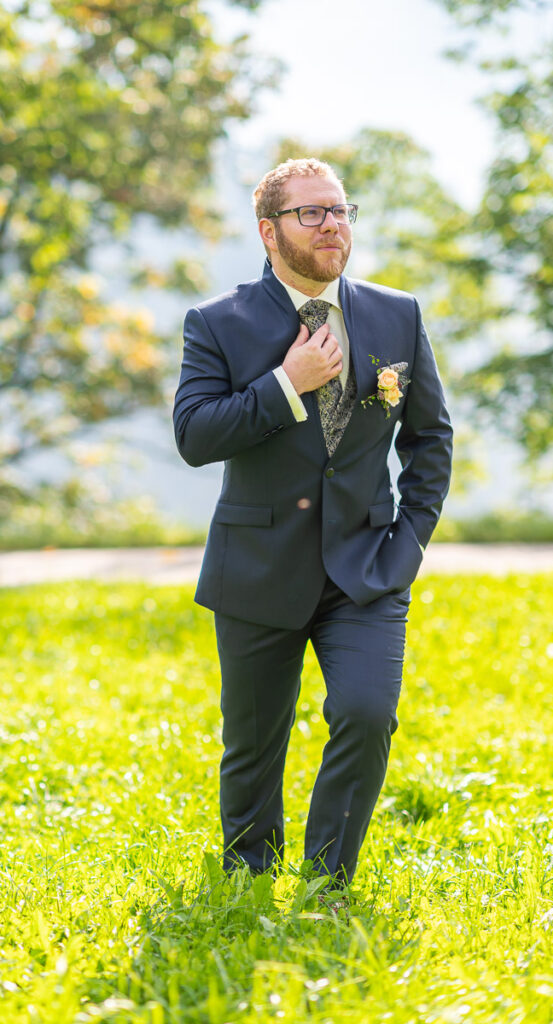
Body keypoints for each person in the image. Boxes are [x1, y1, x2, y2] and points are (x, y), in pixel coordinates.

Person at [173, 158, 452, 892]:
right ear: (269, 231)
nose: (333, 224)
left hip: (367, 567)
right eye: (312, 213)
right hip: (256, 565)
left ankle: (326, 882)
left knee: (365, 715)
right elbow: (195, 437)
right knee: (253, 744)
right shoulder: (217, 321)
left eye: (340, 210)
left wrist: (408, 541)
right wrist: (282, 387)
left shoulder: (397, 314)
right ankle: (246, 881)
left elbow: (430, 440)